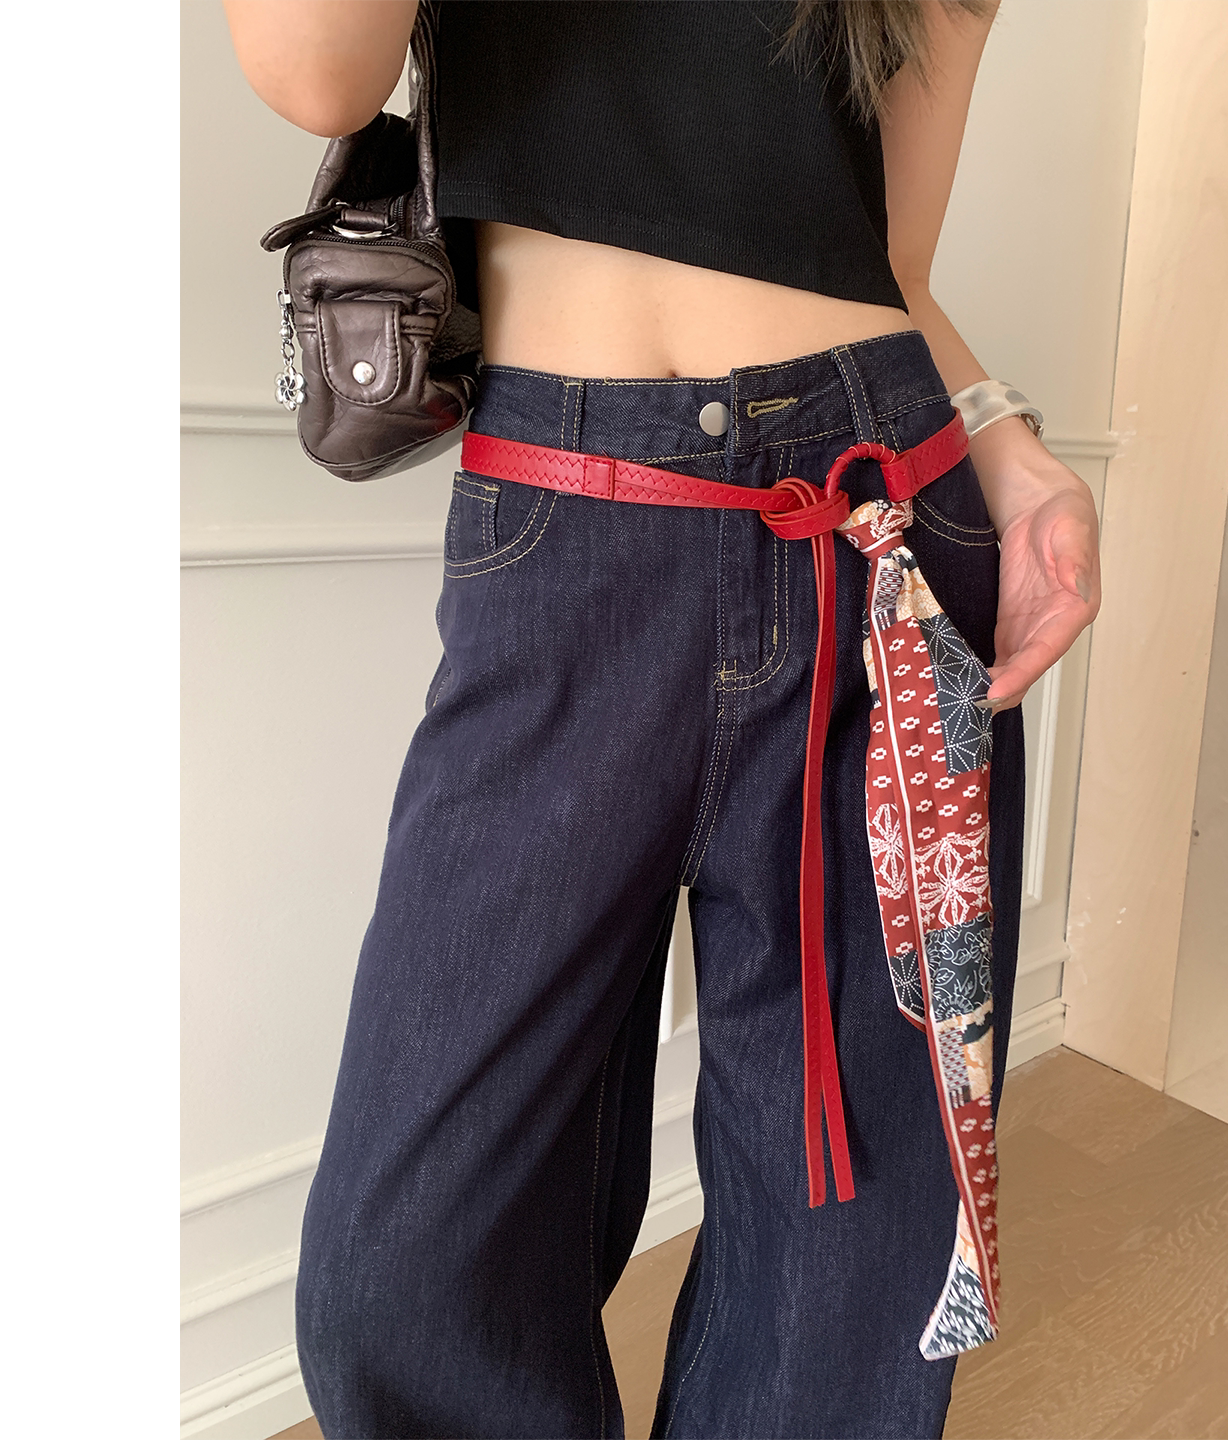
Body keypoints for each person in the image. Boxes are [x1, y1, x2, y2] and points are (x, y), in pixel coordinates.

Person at [223, 2, 1101, 1436]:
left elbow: (890, 263)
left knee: (849, 1256)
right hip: (567, 524)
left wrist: (1011, 443)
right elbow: (318, 72)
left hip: (880, 519)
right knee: (406, 1269)